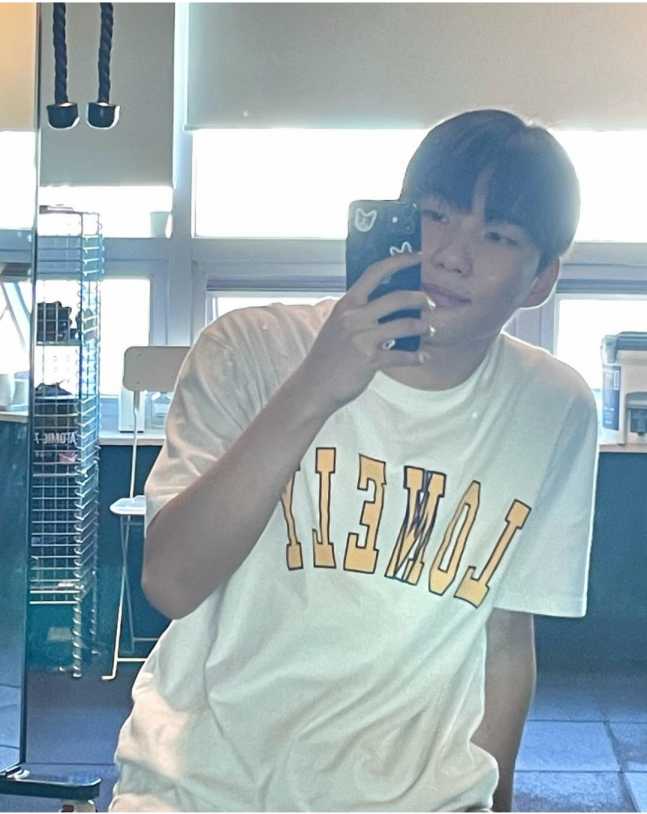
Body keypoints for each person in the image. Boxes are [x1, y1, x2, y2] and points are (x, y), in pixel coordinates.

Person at [109, 108, 599, 812]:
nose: (451, 255)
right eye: (435, 215)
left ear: (540, 279)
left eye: (497, 236)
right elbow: (171, 582)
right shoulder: (248, 349)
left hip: (421, 797)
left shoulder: (553, 406)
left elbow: (505, 638)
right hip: (203, 785)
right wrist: (317, 385)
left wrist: (498, 801)